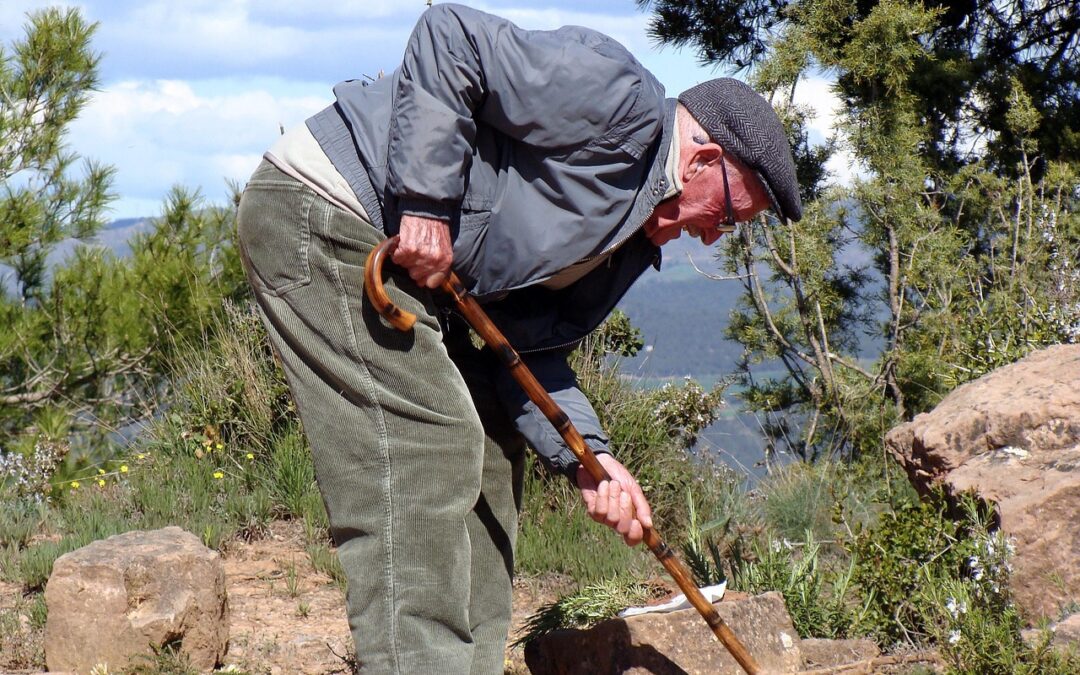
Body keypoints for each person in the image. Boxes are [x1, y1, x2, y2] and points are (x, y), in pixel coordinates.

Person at [236, 4, 801, 673]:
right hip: (328, 210)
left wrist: (591, 458)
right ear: (706, 157)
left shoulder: (628, 243)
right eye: (731, 214)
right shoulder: (617, 99)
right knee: (428, 440)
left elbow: (524, 352)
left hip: (410, 271)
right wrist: (426, 203)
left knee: (492, 445)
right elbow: (449, 36)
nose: (715, 234)